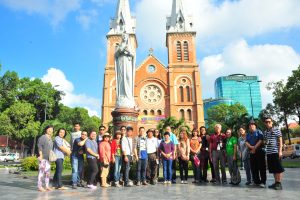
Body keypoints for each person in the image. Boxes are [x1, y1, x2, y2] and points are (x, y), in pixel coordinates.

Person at [264, 117, 284, 190]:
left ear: (272, 122)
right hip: (269, 153)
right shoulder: (265, 132)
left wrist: (280, 151)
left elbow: (280, 141)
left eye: (269, 122)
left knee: (278, 168)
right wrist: (265, 142)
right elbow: (265, 141)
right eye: (266, 122)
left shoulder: (276, 129)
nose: (268, 123)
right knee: (273, 169)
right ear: (265, 123)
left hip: (275, 152)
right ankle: (276, 183)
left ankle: (279, 183)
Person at [246, 120, 266, 188]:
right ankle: (256, 181)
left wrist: (254, 148)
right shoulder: (248, 133)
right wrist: (251, 147)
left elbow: (260, 140)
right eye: (250, 125)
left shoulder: (259, 132)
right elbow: (246, 142)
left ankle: (263, 182)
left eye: (252, 125)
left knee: (261, 167)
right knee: (254, 168)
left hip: (259, 151)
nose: (251, 126)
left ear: (255, 126)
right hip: (251, 152)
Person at [37, 125, 54, 192]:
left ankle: (47, 186)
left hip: (48, 159)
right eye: (49, 129)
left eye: (51, 129)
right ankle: (40, 186)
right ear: (46, 130)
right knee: (41, 173)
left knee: (47, 173)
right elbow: (39, 147)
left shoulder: (50, 139)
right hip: (43, 158)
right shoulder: (43, 137)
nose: (50, 130)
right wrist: (40, 155)